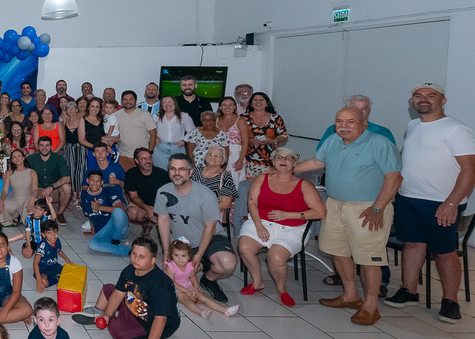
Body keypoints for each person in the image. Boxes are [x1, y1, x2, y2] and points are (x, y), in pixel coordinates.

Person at [295, 107, 401, 326]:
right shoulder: (333, 140)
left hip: (367, 208)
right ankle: (350, 295)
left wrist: (378, 209)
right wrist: (287, 170)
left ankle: (371, 306)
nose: (343, 126)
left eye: (350, 121)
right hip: (334, 205)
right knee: (338, 251)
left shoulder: (380, 143)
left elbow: (394, 179)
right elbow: (317, 162)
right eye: (339, 121)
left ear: (364, 123)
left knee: (369, 258)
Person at [384, 84, 475, 323]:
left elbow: (472, 169)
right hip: (408, 199)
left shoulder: (457, 129)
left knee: (444, 252)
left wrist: (451, 203)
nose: (423, 100)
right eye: (418, 96)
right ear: (412, 101)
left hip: (441, 203)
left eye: (431, 96)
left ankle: (450, 301)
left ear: (443, 100)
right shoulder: (413, 126)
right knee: (412, 245)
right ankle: (409, 292)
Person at [238, 147, 325, 307]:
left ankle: (282, 289)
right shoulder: (261, 179)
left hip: (293, 228)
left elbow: (320, 212)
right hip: (261, 222)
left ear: (295, 163)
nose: (283, 160)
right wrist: (258, 226)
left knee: (275, 257)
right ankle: (257, 281)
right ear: (273, 161)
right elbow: (251, 202)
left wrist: (289, 215)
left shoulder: (304, 185)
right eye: (279, 157)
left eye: (288, 158)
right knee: (244, 247)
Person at [78, 237, 179, 339]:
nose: (136, 259)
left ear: (153, 260)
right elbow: (117, 294)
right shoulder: (129, 270)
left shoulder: (160, 285)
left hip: (151, 322)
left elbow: (161, 319)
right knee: (109, 288)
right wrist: (108, 314)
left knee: (119, 334)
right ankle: (102, 311)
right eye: (134, 254)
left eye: (141, 256)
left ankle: (114, 315)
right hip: (136, 302)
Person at [156, 153, 235, 303]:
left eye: (182, 169)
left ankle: (209, 279)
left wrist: (199, 254)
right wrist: (167, 250)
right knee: (165, 277)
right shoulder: (162, 192)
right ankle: (203, 264)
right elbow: (163, 221)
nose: (177, 173)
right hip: (182, 242)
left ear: (191, 172)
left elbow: (209, 228)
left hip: (210, 237)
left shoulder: (205, 195)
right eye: (173, 169)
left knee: (227, 263)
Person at [165, 239, 238, 319]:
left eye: (183, 256)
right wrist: (186, 291)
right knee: (186, 299)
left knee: (204, 298)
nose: (180, 259)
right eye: (176, 255)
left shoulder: (190, 265)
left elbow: (192, 277)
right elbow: (171, 282)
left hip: (187, 286)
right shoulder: (171, 266)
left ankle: (225, 310)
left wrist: (196, 287)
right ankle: (202, 312)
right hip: (173, 289)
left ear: (189, 256)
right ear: (171, 255)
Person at [81, 164, 131, 255]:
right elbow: (90, 215)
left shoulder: (109, 190)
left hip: (118, 228)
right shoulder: (84, 194)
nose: (95, 184)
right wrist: (93, 232)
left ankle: (115, 240)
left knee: (118, 211)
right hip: (104, 232)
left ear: (102, 182)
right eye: (92, 180)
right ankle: (128, 251)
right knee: (92, 244)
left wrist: (100, 208)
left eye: (98, 181)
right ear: (88, 181)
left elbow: (120, 209)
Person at [318, 95, 396, 146]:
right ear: (346, 109)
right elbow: (321, 157)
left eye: (364, 109)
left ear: (369, 111)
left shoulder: (384, 133)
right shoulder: (333, 130)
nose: (360, 112)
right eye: (355, 108)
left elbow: (393, 161)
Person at [243, 92, 289, 179]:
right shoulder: (243, 118)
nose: (258, 102)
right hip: (247, 159)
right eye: (255, 100)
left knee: (266, 184)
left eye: (261, 100)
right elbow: (236, 136)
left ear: (267, 103)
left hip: (269, 159)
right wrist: (250, 140)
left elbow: (285, 136)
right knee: (249, 186)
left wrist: (272, 141)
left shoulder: (276, 118)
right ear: (251, 103)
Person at [122, 147, 169, 232]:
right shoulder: (131, 174)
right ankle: (147, 222)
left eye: (149, 158)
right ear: (136, 161)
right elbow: (134, 197)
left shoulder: (163, 174)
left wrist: (156, 210)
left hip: (159, 206)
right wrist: (147, 209)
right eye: (143, 159)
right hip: (141, 206)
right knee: (132, 213)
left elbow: (168, 197)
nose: (148, 161)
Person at [27, 137, 73, 217]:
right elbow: (19, 169)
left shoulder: (58, 158)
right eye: (41, 145)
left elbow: (67, 178)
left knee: (67, 187)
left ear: (51, 147)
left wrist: (52, 187)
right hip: (37, 190)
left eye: (47, 145)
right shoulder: (31, 159)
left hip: (54, 190)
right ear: (38, 146)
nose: (44, 148)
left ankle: (60, 213)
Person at [113, 91, 157, 171]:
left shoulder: (145, 114)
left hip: (142, 156)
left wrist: (150, 151)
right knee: (126, 181)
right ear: (122, 101)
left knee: (143, 180)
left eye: (131, 99)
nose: (128, 102)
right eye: (125, 99)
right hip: (123, 155)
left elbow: (153, 133)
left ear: (136, 101)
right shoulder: (116, 115)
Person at [153, 96, 195, 170]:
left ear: (175, 103)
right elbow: (149, 130)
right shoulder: (156, 116)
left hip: (177, 148)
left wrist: (184, 141)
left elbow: (192, 131)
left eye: (170, 102)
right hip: (160, 149)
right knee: (160, 173)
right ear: (161, 105)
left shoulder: (184, 116)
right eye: (164, 103)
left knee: (177, 172)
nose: (167, 105)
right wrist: (154, 138)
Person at [31, 219, 73, 293]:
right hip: (43, 270)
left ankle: (58, 278)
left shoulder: (57, 241)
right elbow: (35, 263)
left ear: (58, 232)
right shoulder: (42, 245)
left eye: (55, 232)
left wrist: (67, 259)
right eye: (49, 233)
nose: (53, 236)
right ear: (43, 234)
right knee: (44, 282)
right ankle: (58, 278)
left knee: (72, 272)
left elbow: (58, 250)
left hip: (55, 266)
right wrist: (39, 280)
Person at [0, 149, 37, 225]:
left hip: (28, 199)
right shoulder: (9, 173)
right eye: (14, 157)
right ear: (12, 160)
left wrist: (32, 201)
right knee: (3, 206)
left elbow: (35, 190)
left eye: (19, 156)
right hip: (14, 200)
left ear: (23, 158)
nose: (17, 159)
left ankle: (23, 217)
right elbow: (5, 190)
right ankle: (14, 218)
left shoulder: (32, 172)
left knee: (32, 214)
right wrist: (1, 200)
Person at [216, 96, 249, 183]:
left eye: (230, 105)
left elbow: (245, 142)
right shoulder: (215, 120)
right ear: (220, 107)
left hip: (235, 155)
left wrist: (240, 159)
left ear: (235, 107)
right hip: (218, 153)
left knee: (235, 180)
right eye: (224, 105)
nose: (227, 107)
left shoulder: (240, 120)